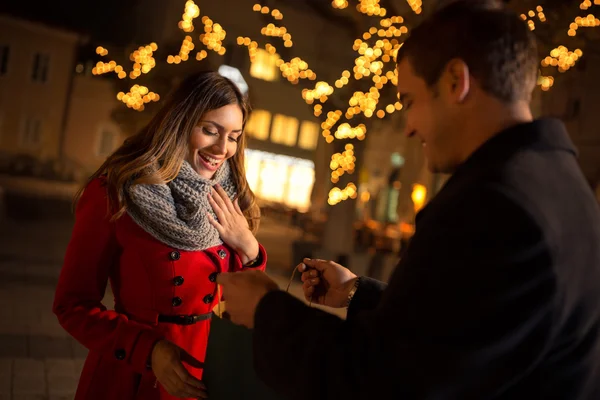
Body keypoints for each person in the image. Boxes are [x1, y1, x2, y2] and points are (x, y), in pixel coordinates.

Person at [217, 1, 600, 399]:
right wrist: (359, 294)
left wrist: (267, 310)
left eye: (410, 101)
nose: (411, 127)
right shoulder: (562, 184)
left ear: (456, 81)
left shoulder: (494, 204)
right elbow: (469, 331)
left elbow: (382, 379)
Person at [53, 71, 267, 400]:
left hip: (206, 373)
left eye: (234, 136)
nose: (223, 148)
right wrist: (149, 350)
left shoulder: (230, 198)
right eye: (210, 130)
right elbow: (72, 305)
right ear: (180, 123)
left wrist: (250, 249)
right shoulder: (118, 192)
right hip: (134, 376)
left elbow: (243, 305)